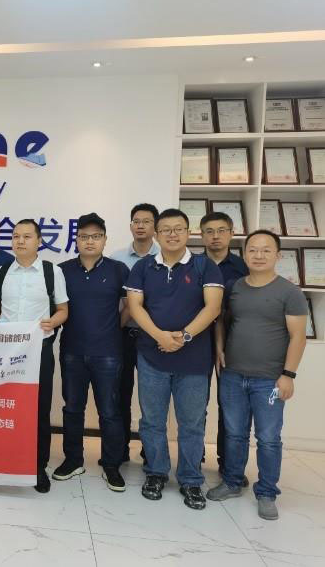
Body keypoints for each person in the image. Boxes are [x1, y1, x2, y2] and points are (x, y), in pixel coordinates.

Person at [125, 208, 223, 510]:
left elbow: (212, 307)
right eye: (165, 229)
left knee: (191, 423)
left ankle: (191, 480)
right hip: (151, 357)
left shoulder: (204, 266)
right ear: (156, 234)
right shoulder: (143, 266)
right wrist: (160, 336)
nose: (172, 234)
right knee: (152, 421)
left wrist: (184, 337)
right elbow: (135, 306)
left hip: (194, 360)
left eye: (178, 228)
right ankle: (156, 473)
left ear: (188, 232)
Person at [207, 230, 307, 521]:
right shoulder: (234, 287)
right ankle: (232, 481)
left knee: (268, 437)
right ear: (245, 254)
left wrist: (288, 375)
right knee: (234, 433)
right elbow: (221, 321)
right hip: (233, 375)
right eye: (252, 250)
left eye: (265, 250)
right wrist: (219, 348)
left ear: (278, 255)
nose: (258, 255)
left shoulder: (290, 292)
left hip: (270, 381)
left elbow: (298, 336)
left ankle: (266, 493)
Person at [0, 219, 69, 493]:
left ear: (39, 241)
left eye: (27, 236)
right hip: (6, 350)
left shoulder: (51, 272)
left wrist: (53, 321)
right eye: (16, 236)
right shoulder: (2, 271)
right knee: (4, 404)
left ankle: (37, 466)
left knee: (38, 408)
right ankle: (4, 458)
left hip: (38, 350)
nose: (20, 241)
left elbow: (63, 310)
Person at [54, 213, 129, 492]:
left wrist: (112, 328)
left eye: (96, 236)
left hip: (108, 352)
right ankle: (73, 460)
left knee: (109, 411)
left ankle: (111, 464)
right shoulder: (62, 271)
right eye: (84, 236)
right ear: (76, 239)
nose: (89, 241)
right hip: (72, 351)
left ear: (105, 240)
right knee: (73, 408)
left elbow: (130, 306)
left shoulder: (118, 269)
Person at [199, 211, 249, 481]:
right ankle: (194, 455)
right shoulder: (192, 264)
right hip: (195, 341)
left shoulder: (243, 268)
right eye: (209, 231)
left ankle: (227, 462)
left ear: (231, 233)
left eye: (221, 230)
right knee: (196, 403)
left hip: (234, 344)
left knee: (229, 405)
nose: (215, 236)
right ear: (201, 235)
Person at [110, 203, 160, 463]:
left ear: (155, 226)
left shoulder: (164, 256)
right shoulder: (117, 258)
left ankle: (151, 453)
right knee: (121, 393)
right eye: (136, 221)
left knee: (153, 397)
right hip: (124, 334)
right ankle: (119, 450)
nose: (140, 226)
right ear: (130, 226)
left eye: (146, 221)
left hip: (155, 337)